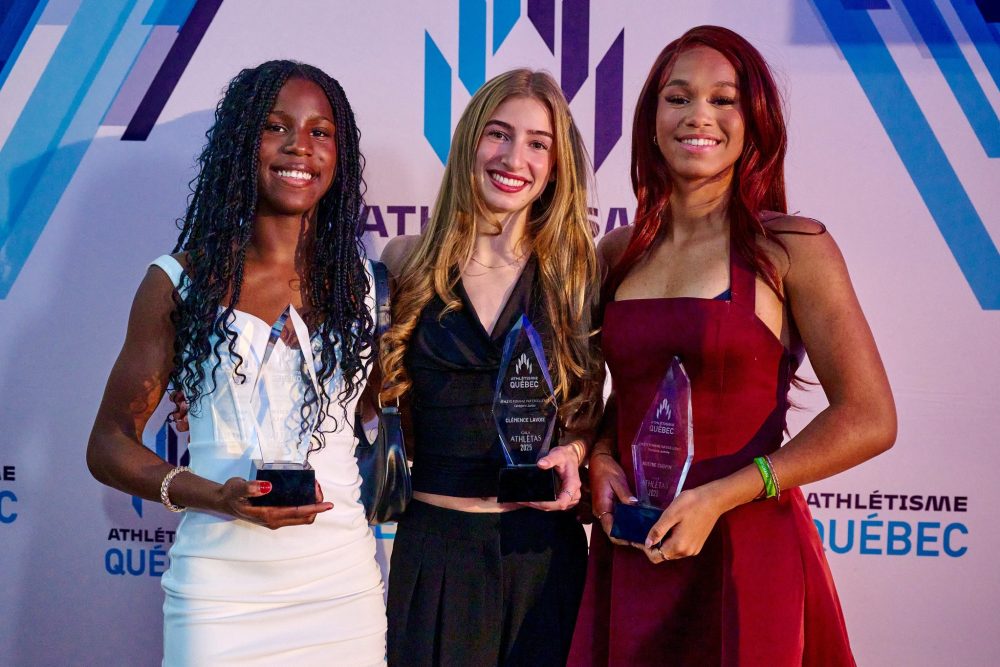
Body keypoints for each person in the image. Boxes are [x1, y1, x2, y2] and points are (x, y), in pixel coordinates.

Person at [568, 26, 897, 667]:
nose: (699, 116)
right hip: (635, 550)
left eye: (724, 100)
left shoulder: (793, 246)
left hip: (747, 551)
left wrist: (721, 496)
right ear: (651, 119)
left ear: (756, 122)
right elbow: (630, 398)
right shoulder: (616, 252)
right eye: (678, 97)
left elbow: (870, 417)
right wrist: (602, 457)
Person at [86, 61, 386, 666]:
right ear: (240, 143)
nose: (299, 146)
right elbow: (108, 443)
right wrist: (213, 495)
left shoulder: (364, 284)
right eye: (276, 127)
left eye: (320, 132)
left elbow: (372, 410)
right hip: (218, 595)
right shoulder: (179, 282)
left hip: (340, 590)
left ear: (339, 154)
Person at [377, 69, 603, 666]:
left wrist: (576, 451)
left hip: (543, 559)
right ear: (469, 142)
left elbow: (594, 407)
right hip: (435, 553)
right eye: (498, 134)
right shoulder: (406, 262)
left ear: (556, 166)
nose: (514, 158)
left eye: (537, 143)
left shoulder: (579, 273)